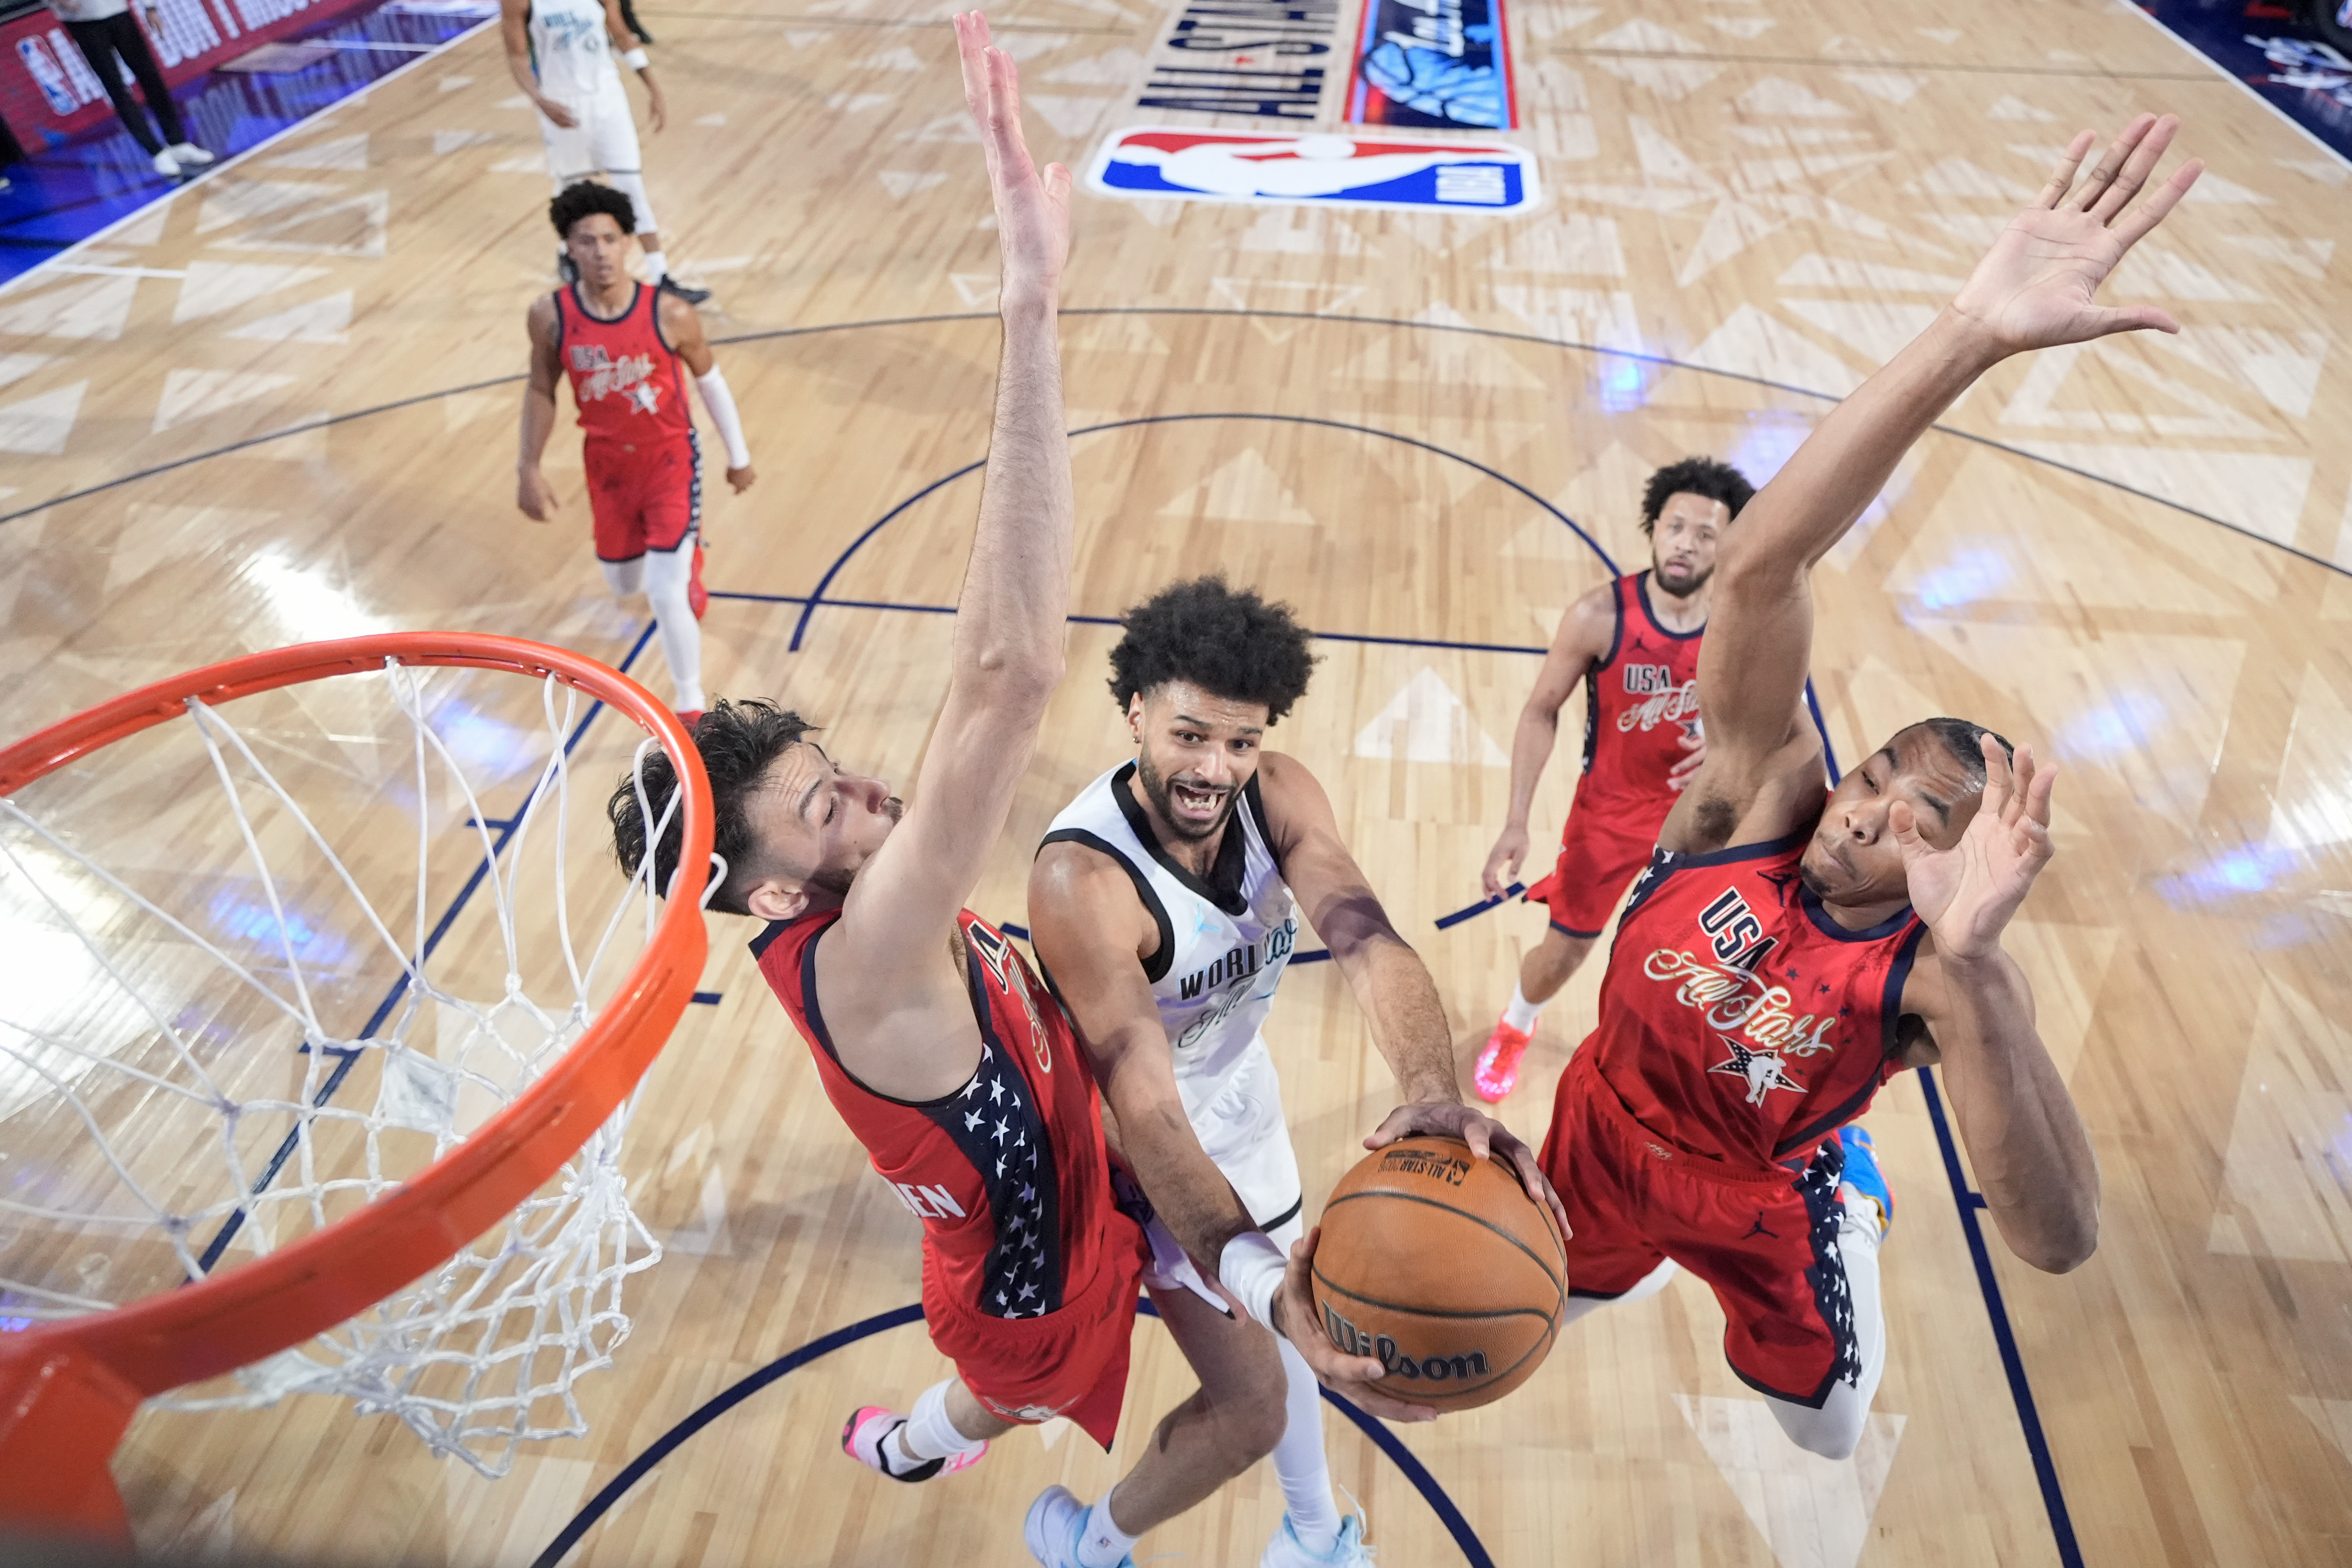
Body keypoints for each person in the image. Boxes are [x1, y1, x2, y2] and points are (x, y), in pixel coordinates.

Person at [607, 23, 1372, 1568]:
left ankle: (927, 1443)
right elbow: (1010, 671)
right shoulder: (863, 954)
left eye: (839, 776)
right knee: (1007, 1397)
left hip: (1079, 1191)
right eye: (823, 811)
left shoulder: (844, 910)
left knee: (1198, 1384)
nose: (868, 798)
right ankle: (963, 1474)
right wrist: (1032, 296)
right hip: (1028, 1285)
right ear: (765, 894)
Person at [1537, 113, 2199, 1460]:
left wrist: (1981, 983)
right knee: (1527, 1304)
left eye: (1918, 817)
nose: (1867, 802)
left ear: (1958, 864)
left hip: (1759, 1198)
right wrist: (1971, 330)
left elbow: (2059, 1241)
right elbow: (1762, 571)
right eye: (1881, 769)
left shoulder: (1944, 973)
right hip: (1599, 1123)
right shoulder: (1751, 796)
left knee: (1827, 1437)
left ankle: (1846, 1192)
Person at [1028, 576, 1567, 1568]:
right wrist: (1260, 1281)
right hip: (1135, 1158)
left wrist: (1428, 1092)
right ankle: (1081, 1542)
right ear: (1135, 711)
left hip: (1237, 1095)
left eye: (1239, 741)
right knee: (1250, 1404)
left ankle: (1313, 1536)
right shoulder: (1084, 882)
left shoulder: (1275, 793)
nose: (1215, 767)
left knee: (1305, 1327)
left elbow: (1369, 943)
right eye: (1190, 735)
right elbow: (1143, 1110)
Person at [1473, 458, 1754, 1102]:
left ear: (1728, 546)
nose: (1685, 542)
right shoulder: (1597, 615)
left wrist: (1729, 745)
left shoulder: (1744, 630)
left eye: (1706, 533)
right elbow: (1540, 710)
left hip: (1706, 821)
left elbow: (1779, 727)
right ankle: (1517, 1025)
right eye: (1674, 526)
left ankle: (1675, 1068)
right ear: (1653, 529)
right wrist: (1516, 821)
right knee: (1564, 954)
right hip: (1610, 815)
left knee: (1699, 966)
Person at [517, 180, 753, 725]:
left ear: (627, 243)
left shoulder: (670, 314)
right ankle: (681, 558)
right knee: (625, 584)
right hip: (606, 467)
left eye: (610, 238)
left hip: (670, 461)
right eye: (586, 240)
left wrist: (737, 456)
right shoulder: (549, 316)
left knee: (667, 593)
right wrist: (527, 466)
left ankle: (690, 706)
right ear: (569, 248)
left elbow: (711, 382)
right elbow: (539, 389)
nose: (600, 251)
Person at [500, 0, 707, 301]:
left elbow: (621, 34)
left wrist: (653, 87)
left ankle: (661, 275)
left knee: (632, 188)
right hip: (561, 102)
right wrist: (540, 100)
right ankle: (568, 256)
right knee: (570, 190)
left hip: (608, 101)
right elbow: (517, 56)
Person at [43, 0, 211, 180]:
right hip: (82, 22)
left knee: (150, 77)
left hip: (119, 11)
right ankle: (156, 153)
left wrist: (150, 7)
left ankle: (178, 143)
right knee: (116, 87)